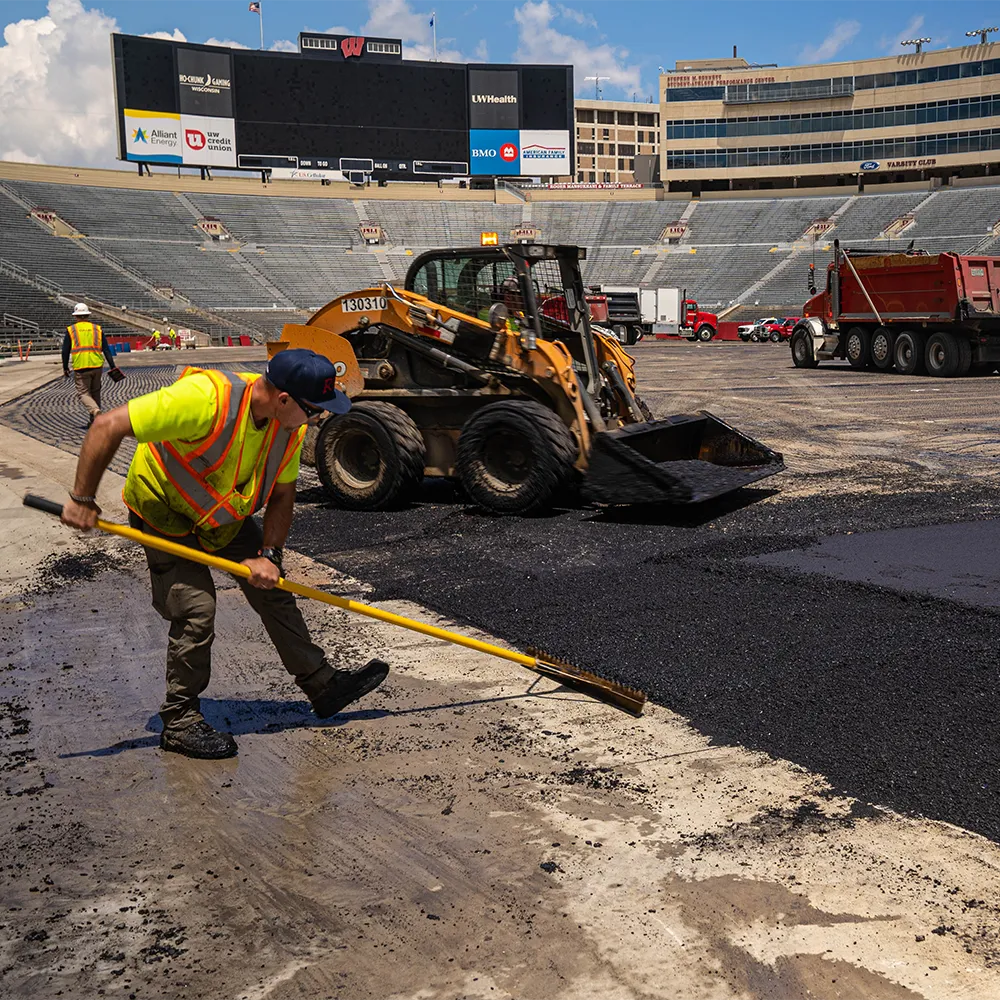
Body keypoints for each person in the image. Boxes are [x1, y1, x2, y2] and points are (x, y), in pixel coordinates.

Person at [60, 349, 389, 760]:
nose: (318, 419)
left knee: (274, 588)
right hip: (165, 512)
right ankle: (179, 720)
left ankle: (322, 685)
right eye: (314, 410)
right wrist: (83, 498)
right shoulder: (206, 400)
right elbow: (107, 425)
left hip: (221, 517)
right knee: (195, 608)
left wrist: (269, 553)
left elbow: (283, 495)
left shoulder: (289, 427)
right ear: (284, 398)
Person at [62, 302, 118, 427]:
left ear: (76, 316)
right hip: (97, 365)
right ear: (87, 315)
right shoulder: (97, 329)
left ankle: (95, 411)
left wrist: (65, 367)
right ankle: (95, 422)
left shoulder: (71, 330)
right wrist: (113, 366)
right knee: (95, 392)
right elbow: (106, 349)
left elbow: (65, 351)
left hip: (81, 366)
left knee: (83, 393)